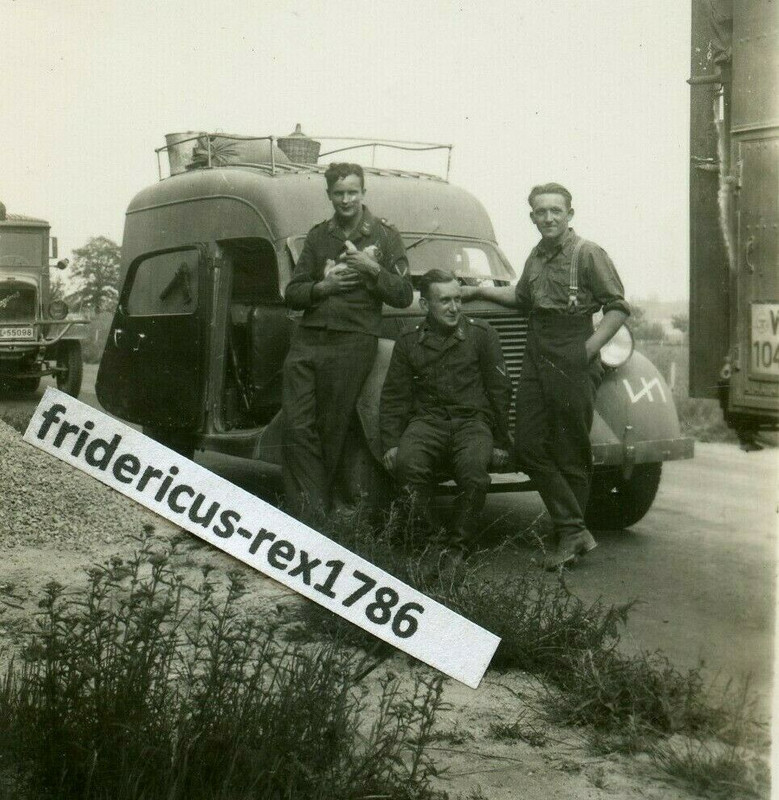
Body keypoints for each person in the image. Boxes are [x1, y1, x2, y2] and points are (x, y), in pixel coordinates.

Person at [461, 183, 629, 569]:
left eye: (556, 210)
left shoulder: (588, 254)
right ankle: (573, 530)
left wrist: (586, 352)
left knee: (570, 449)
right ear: (532, 216)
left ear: (570, 213)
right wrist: (478, 293)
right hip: (538, 348)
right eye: (541, 212)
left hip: (573, 345)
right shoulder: (536, 256)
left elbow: (618, 308)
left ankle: (568, 536)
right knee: (528, 444)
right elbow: (522, 299)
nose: (549, 218)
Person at [283, 163, 413, 522]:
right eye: (338, 193)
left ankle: (321, 516)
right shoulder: (318, 236)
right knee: (295, 425)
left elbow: (403, 294)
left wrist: (370, 268)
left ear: (363, 193)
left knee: (332, 426)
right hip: (308, 339)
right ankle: (309, 510)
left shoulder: (385, 236)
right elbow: (292, 292)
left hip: (353, 340)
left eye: (352, 192)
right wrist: (323, 287)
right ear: (329, 196)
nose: (346, 199)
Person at [380, 269, 512, 550]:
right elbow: (395, 396)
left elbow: (500, 391)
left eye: (457, 300)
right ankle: (433, 537)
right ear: (426, 305)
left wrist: (500, 441)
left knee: (474, 474)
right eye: (445, 301)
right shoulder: (408, 340)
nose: (454, 308)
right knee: (407, 465)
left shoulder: (481, 334)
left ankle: (459, 546)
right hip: (427, 422)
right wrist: (391, 443)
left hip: (472, 422)